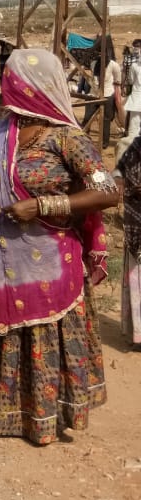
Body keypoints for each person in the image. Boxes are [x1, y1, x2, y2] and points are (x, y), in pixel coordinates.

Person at [0, 49, 119, 445]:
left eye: (12, 79)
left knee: (43, 335)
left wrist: (44, 205)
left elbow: (107, 191)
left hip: (49, 267)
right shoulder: (1, 131)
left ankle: (43, 417)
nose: (6, 86)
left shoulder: (67, 138)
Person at [114, 136, 141, 349]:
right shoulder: (133, 147)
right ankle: (137, 334)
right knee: (136, 278)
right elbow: (120, 173)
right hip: (135, 223)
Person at [81, 37, 120, 149]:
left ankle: (105, 142)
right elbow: (93, 78)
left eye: (101, 53)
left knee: (106, 119)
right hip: (93, 94)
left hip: (107, 94)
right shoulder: (93, 63)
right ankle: (83, 139)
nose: (99, 55)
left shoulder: (113, 65)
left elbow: (118, 81)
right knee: (87, 117)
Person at [124, 39, 141, 138]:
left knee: (134, 126)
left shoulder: (134, 66)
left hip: (136, 98)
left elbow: (130, 80)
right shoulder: (133, 64)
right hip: (136, 96)